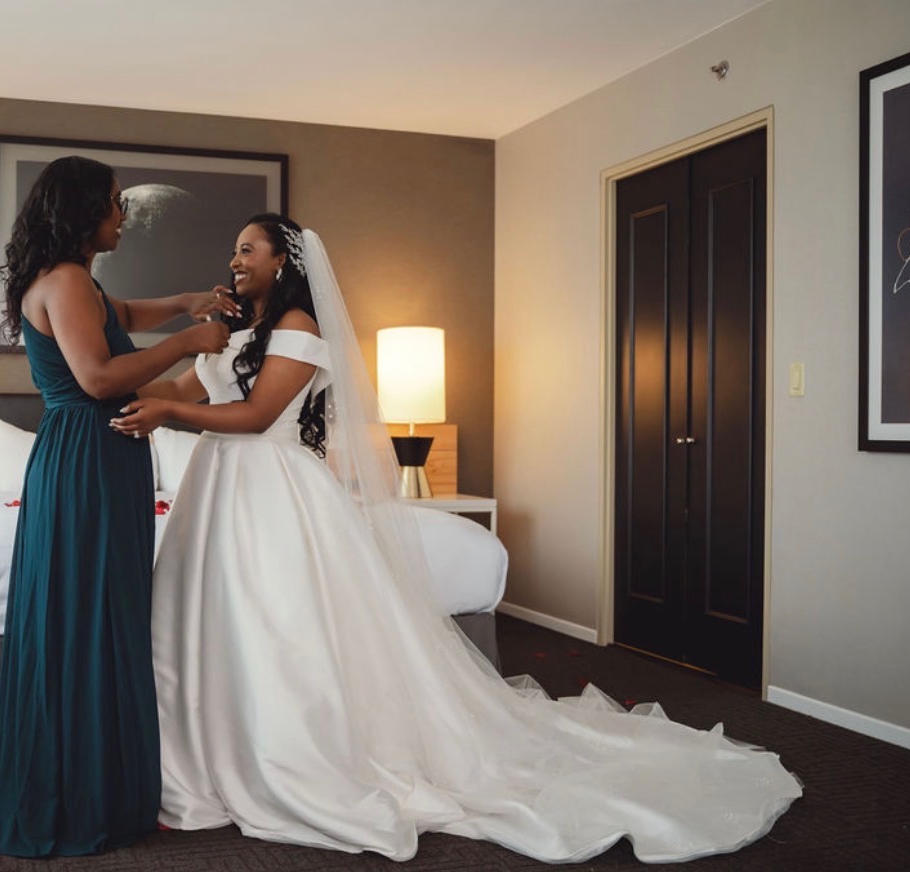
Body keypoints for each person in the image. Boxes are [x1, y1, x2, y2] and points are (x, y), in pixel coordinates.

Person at [108, 214, 802, 863]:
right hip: (216, 488)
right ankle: (199, 749)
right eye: (234, 251)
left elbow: (259, 415)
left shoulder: (296, 323)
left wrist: (167, 409)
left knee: (280, 622)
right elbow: (189, 388)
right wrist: (134, 396)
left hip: (271, 488)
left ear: (284, 261)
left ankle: (289, 751)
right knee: (205, 618)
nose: (234, 260)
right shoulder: (236, 329)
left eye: (248, 250)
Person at [0, 155, 234, 858]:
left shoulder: (77, 282)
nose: (124, 213)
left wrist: (182, 300)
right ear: (82, 210)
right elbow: (100, 375)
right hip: (87, 455)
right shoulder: (67, 281)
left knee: (94, 607)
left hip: (95, 457)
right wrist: (186, 343)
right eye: (114, 203)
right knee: (88, 611)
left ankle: (93, 776)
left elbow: (122, 317)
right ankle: (83, 789)